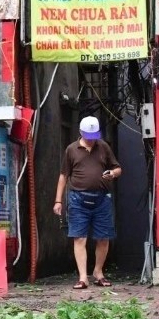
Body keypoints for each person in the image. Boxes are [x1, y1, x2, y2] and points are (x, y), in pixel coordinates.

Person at [54, 116, 121, 290]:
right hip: (77, 198)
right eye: (88, 135)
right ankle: (83, 277)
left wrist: (112, 174)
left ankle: (98, 272)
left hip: (102, 198)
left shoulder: (103, 146)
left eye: (94, 135)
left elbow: (118, 168)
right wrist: (58, 200)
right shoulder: (71, 149)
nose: (91, 139)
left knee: (103, 237)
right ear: (81, 133)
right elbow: (63, 176)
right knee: (79, 238)